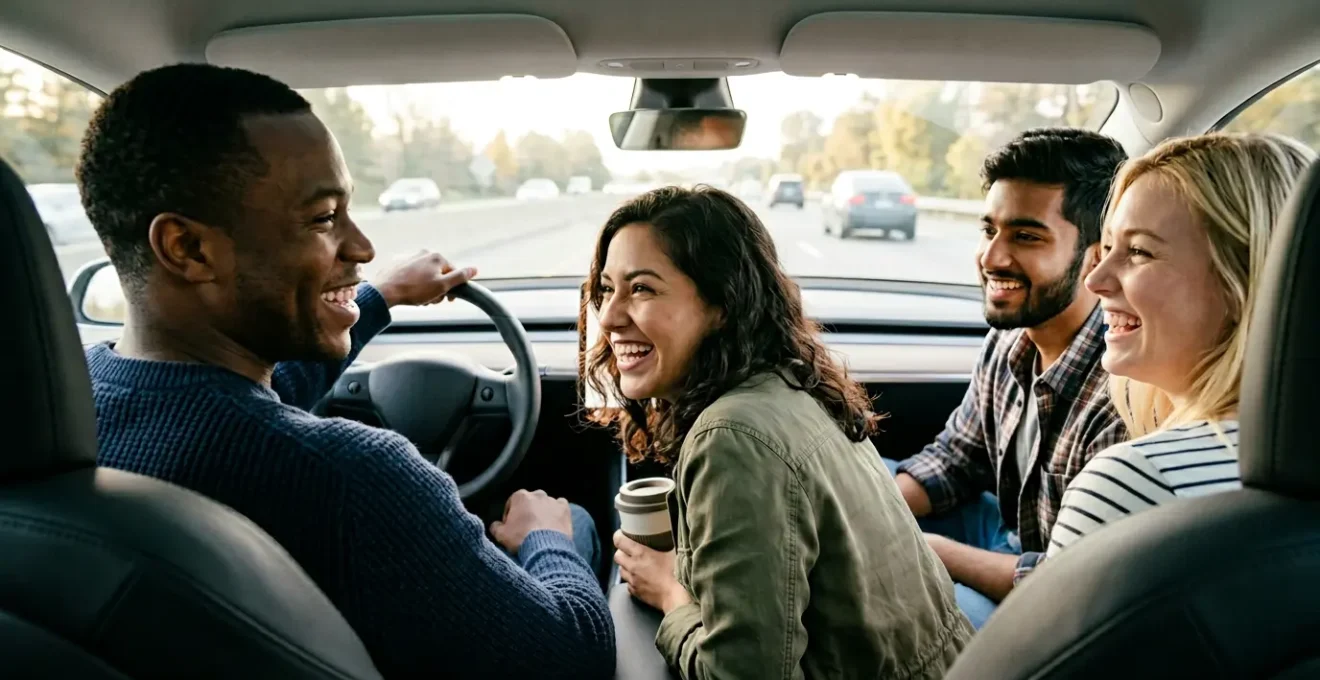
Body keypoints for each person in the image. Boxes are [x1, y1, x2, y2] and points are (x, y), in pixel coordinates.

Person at [76, 63, 614, 678]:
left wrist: (378, 300)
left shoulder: (74, 411)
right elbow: (573, 659)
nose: (362, 247)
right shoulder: (351, 480)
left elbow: (234, 407)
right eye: (323, 218)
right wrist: (549, 540)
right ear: (188, 249)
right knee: (575, 520)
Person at [587, 186, 973, 679]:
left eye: (641, 288)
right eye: (606, 289)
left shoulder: (732, 437)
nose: (612, 317)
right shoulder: (791, 384)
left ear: (721, 303)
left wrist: (670, 594)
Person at [885, 128, 1130, 629]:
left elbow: (1068, 581)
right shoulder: (1011, 337)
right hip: (1003, 535)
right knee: (862, 482)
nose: (992, 258)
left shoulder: (1123, 387)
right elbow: (957, 458)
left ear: (1098, 254)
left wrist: (927, 549)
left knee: (915, 622)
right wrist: (866, 508)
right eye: (989, 230)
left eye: (1026, 236)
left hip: (1048, 602)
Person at [1046, 133, 1315, 556]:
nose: (1094, 281)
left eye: (1138, 252)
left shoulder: (1135, 483)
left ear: (1241, 283)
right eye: (1110, 246)